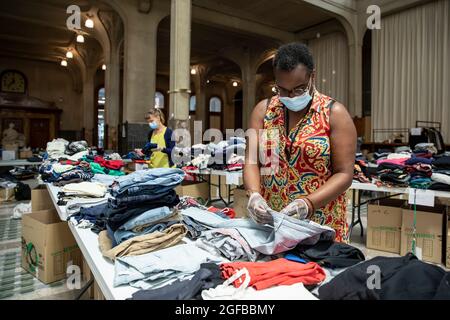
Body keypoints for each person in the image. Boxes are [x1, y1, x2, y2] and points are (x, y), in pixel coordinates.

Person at [244, 42, 356, 242]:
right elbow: (252, 161)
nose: (290, 96)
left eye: (299, 89)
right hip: (273, 223)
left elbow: (344, 174)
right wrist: (253, 194)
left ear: (312, 77)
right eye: (282, 89)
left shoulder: (334, 114)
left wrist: (308, 203)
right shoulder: (264, 111)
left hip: (319, 224)